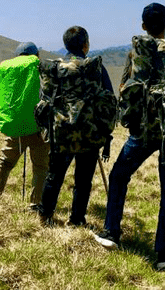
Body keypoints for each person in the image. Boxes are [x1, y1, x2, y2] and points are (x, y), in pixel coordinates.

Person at [94, 3, 165, 271]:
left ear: (143, 26)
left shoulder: (136, 52)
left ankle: (112, 232)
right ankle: (164, 254)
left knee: (119, 175)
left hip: (142, 130)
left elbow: (124, 87)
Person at [36, 26, 114, 228]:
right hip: (88, 133)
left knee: (54, 175)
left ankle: (45, 216)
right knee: (83, 180)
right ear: (85, 44)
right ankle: (77, 219)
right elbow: (108, 99)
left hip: (60, 132)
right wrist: (106, 131)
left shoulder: (54, 69)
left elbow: (44, 100)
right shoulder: (94, 68)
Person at [0, 41, 50, 211]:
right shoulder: (38, 66)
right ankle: (35, 204)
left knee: (4, 162)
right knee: (40, 167)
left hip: (15, 125)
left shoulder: (9, 68)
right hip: (37, 126)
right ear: (36, 55)